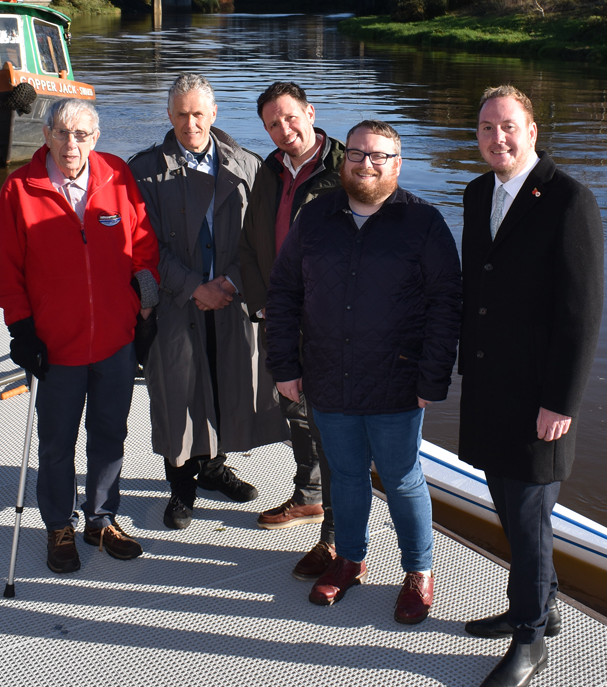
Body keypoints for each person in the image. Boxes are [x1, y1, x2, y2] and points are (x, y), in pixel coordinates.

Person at [266, 120, 461, 625]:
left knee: (401, 478)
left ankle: (418, 571)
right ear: (343, 158)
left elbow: (446, 305)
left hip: (397, 381)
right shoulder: (314, 220)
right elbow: (284, 294)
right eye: (357, 154)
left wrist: (431, 379)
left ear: (398, 164)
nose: (366, 164)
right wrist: (285, 364)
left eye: (379, 156)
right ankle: (350, 559)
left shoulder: (424, 223)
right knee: (348, 477)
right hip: (328, 375)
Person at [457, 85, 604, 687]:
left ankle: (529, 639)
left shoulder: (569, 200)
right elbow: (478, 287)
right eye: (488, 127)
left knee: (529, 517)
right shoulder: (476, 193)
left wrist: (561, 403)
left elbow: (582, 313)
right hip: (492, 387)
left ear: (533, 129)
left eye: (509, 126)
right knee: (514, 513)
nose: (499, 138)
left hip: (539, 399)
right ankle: (541, 605)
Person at [0, 97, 160, 574]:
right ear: (46, 135)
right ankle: (58, 525)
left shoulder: (117, 176)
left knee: (110, 434)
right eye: (62, 133)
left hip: (114, 340)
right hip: (56, 343)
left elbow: (143, 244)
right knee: (57, 442)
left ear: (96, 138)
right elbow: (6, 269)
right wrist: (21, 328)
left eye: (81, 134)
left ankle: (102, 518)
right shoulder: (19, 189)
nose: (72, 144)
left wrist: (144, 303)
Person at [129, 73, 285, 530]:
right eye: (181, 114)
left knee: (226, 382)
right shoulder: (143, 170)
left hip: (232, 302)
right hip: (178, 303)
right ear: (169, 115)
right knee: (177, 393)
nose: (190, 123)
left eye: (198, 113)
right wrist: (195, 286)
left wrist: (232, 283)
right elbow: (143, 244)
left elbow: (263, 240)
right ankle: (181, 485)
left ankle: (214, 469)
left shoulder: (249, 165)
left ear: (214, 114)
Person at [238, 81, 346, 581]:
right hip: (281, 317)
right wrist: (263, 307)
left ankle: (336, 541)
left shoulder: (345, 167)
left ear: (310, 111)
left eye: (289, 118)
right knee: (295, 412)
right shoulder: (269, 170)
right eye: (272, 124)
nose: (284, 130)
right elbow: (251, 242)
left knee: (334, 427)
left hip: (331, 325)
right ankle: (308, 496)